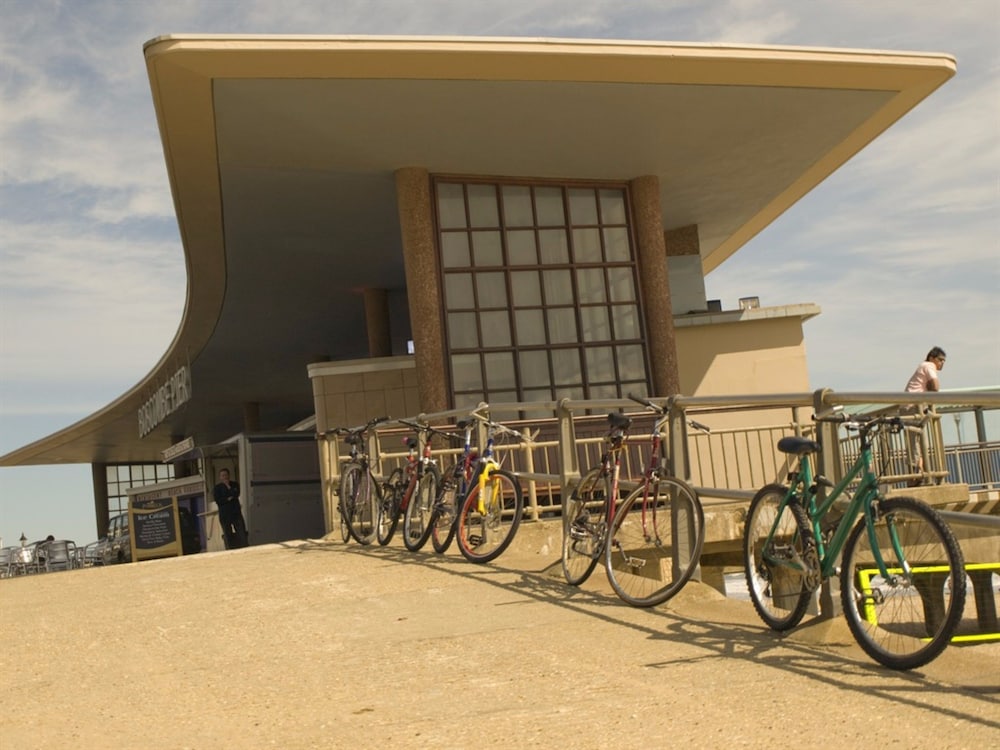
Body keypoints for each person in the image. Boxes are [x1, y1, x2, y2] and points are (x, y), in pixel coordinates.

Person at [902, 347, 946, 483]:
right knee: (915, 442)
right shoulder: (928, 365)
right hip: (912, 407)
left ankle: (919, 475)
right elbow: (935, 386)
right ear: (932, 358)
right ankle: (916, 476)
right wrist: (931, 395)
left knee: (916, 441)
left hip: (913, 406)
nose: (942, 363)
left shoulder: (923, 367)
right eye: (940, 360)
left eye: (944, 361)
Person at [213, 468, 248, 549]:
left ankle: (245, 547)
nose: (224, 477)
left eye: (226, 475)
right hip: (225, 514)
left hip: (236, 513)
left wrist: (228, 487)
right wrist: (228, 499)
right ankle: (230, 549)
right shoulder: (217, 488)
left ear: (229, 475)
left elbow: (236, 494)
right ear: (220, 477)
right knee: (227, 533)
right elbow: (218, 500)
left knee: (241, 532)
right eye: (222, 475)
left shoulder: (234, 484)